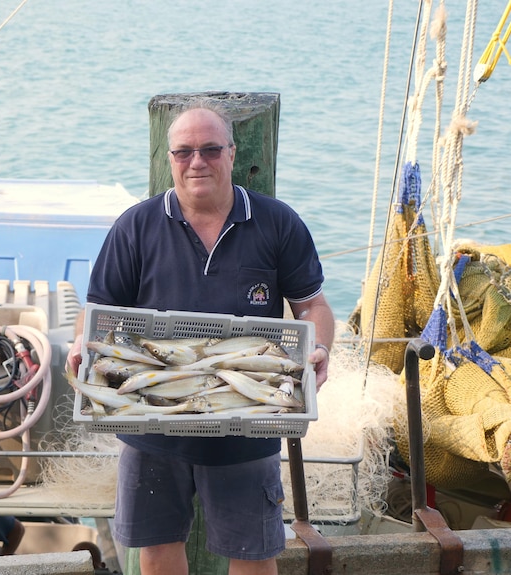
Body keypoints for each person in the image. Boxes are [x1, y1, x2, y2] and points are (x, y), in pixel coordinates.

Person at [66, 102, 335, 575]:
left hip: (248, 427)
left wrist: (321, 349)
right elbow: (97, 314)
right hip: (150, 425)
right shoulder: (136, 225)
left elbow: (312, 306)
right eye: (184, 151)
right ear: (168, 157)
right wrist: (77, 345)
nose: (197, 162)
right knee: (155, 553)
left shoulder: (276, 222)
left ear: (232, 152)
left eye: (210, 150)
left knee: (254, 557)